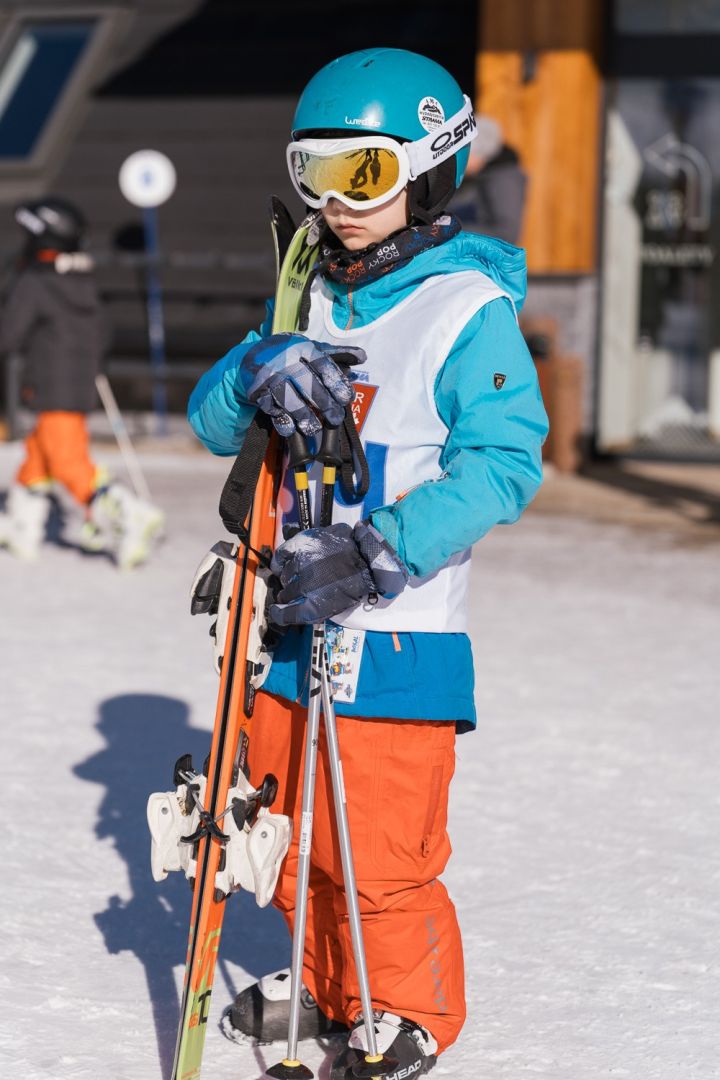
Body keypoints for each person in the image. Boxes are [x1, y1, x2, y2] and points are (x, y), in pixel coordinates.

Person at [187, 48, 548, 1079]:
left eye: (364, 175)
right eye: (315, 175)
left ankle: (405, 1010)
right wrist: (255, 366)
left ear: (430, 170)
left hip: (396, 633)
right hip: (289, 619)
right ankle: (325, 985)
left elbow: (505, 463)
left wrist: (381, 549)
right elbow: (211, 425)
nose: (337, 205)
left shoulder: (463, 311)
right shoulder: (304, 295)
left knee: (381, 850)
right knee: (291, 828)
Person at [0, 197, 163, 568]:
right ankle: (22, 526)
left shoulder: (35, 281)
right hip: (79, 383)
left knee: (67, 463)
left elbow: (9, 334)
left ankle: (129, 514)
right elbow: (102, 331)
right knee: (39, 453)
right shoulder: (82, 280)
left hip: (50, 385)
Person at [448, 114, 527, 245]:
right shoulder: (476, 176)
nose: (459, 161)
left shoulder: (504, 180)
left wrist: (447, 230)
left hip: (480, 254)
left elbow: (506, 234)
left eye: (464, 153)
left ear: (480, 153)